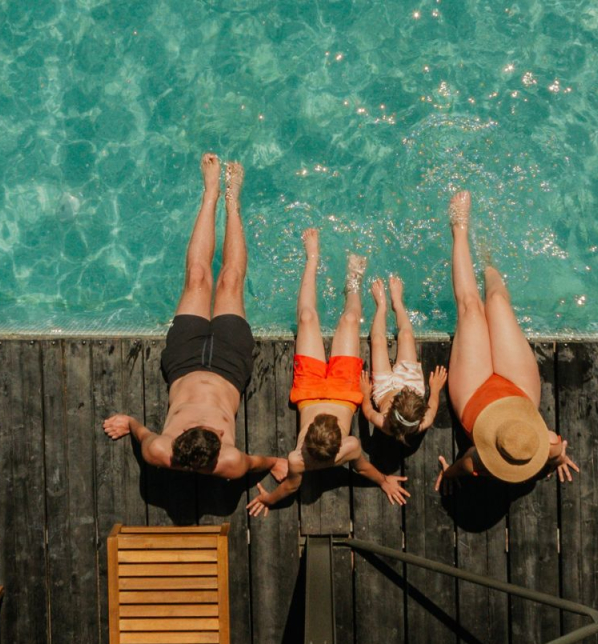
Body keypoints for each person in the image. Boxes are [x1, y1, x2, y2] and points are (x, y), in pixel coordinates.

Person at [103, 154, 286, 481]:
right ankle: (232, 203)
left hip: (184, 361)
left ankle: (211, 193)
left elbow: (142, 432)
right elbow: (259, 461)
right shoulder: (229, 461)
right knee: (230, 280)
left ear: (178, 436)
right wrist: (276, 463)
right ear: (220, 440)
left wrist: (128, 422)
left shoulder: (159, 451)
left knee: (197, 276)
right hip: (230, 366)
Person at [246, 229, 410, 516]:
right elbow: (363, 468)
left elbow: (289, 488)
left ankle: (312, 259)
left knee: (307, 319)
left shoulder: (297, 459)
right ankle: (353, 283)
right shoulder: (350, 445)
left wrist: (268, 500)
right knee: (349, 321)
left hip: (308, 391)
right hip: (344, 392)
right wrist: (384, 481)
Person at [434, 190, 579, 491]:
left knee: (471, 309)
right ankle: (487, 259)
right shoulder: (548, 446)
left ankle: (459, 231)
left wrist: (447, 474)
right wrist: (558, 460)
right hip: (519, 393)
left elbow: (460, 468)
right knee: (498, 301)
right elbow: (556, 450)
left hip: (474, 397)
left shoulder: (480, 461)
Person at [359, 274, 447, 446]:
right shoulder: (425, 421)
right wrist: (434, 389)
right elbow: (434, 406)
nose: (400, 392)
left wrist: (365, 394)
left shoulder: (384, 423)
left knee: (378, 341)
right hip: (410, 382)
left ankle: (381, 307)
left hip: (383, 390)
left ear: (390, 412)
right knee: (406, 335)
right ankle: (397, 304)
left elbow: (368, 411)